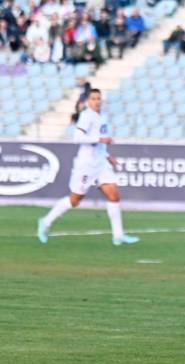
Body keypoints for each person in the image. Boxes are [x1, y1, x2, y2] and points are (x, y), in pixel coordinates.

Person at [37, 88, 140, 246]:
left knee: (113, 195)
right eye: (93, 98)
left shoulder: (102, 117)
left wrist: (108, 157)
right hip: (86, 165)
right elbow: (77, 137)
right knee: (74, 200)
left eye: (98, 98)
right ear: (88, 101)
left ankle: (118, 235)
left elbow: (99, 144)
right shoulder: (86, 116)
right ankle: (46, 222)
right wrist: (100, 139)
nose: (96, 101)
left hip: (101, 164)